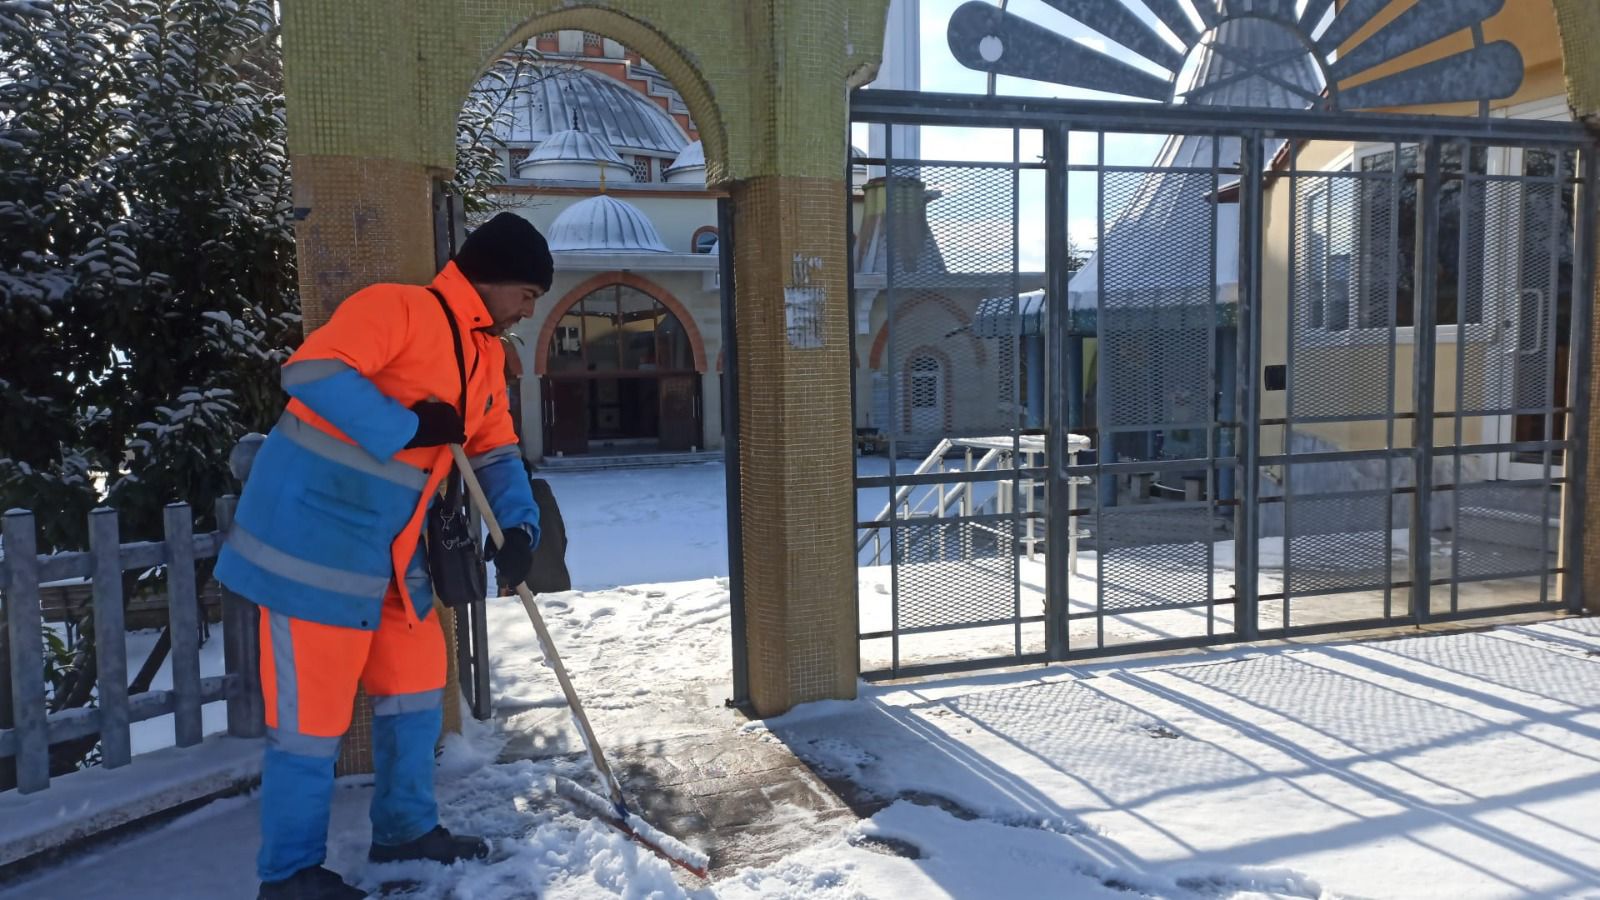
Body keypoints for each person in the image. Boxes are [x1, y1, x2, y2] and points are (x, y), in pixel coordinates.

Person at [216, 213, 553, 899]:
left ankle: (404, 829)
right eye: (529, 293)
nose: (529, 308)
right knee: (310, 728)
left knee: (417, 690)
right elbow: (310, 370)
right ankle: (289, 874)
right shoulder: (400, 308)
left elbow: (494, 450)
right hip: (313, 553)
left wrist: (518, 531)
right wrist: (408, 425)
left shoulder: (483, 355)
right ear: (496, 279)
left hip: (394, 560)